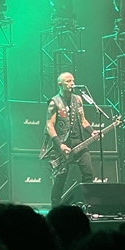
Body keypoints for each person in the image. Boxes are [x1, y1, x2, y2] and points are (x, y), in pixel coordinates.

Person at [45, 72, 97, 207]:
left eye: (73, 81)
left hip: (79, 142)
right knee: (60, 178)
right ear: (60, 84)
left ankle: (89, 205)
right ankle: (55, 207)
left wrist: (91, 131)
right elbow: (49, 125)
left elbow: (83, 120)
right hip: (63, 145)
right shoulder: (54, 102)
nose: (72, 83)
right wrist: (60, 145)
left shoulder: (78, 99)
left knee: (88, 173)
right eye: (68, 81)